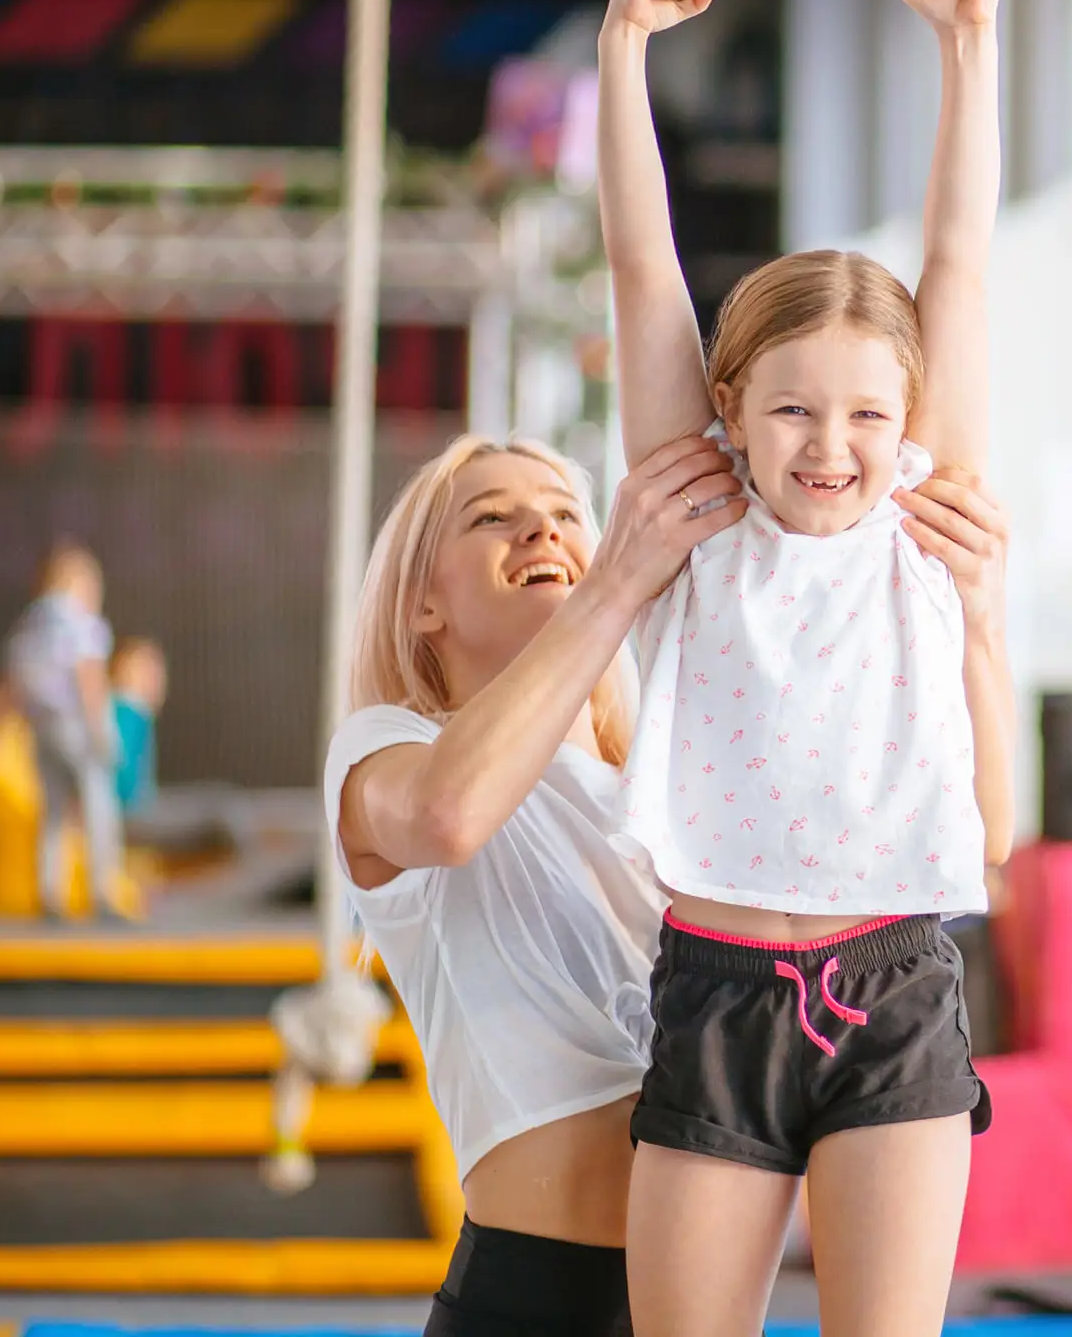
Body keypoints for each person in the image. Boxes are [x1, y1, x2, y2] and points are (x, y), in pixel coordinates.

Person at [327, 426, 1010, 1337]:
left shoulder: (667, 801)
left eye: (567, 515)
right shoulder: (385, 749)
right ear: (423, 606)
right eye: (494, 520)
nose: (542, 533)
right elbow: (448, 817)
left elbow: (962, 821)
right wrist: (612, 583)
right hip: (537, 1300)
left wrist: (975, 617)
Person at [598, 0, 1016, 1337]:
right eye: (790, 410)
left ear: (905, 426)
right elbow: (644, 270)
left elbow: (960, 257)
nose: (830, 447)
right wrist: (623, 48)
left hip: (890, 988)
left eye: (864, 416)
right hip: (715, 993)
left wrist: (969, 43)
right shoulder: (701, 513)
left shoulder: (917, 515)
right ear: (728, 410)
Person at [0, 540, 123, 920]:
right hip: (75, 726)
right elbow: (89, 676)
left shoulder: (30, 624)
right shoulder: (81, 622)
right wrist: (101, 728)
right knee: (98, 804)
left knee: (52, 813)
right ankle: (102, 893)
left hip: (40, 727)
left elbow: (8, 679)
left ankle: (50, 894)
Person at [109, 636, 168, 818]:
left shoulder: (134, 713)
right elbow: (122, 781)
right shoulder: (128, 710)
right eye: (145, 669)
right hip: (129, 814)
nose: (155, 678)